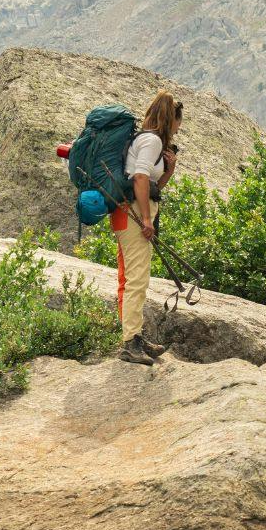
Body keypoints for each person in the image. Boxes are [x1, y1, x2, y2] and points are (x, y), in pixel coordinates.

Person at [111, 92, 180, 365]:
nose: (178, 129)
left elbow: (152, 187)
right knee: (137, 279)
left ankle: (135, 336)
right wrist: (148, 221)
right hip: (133, 215)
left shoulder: (146, 140)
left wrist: (168, 171)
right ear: (169, 119)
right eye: (177, 123)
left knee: (135, 277)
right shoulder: (151, 140)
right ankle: (130, 344)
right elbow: (139, 177)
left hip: (129, 212)